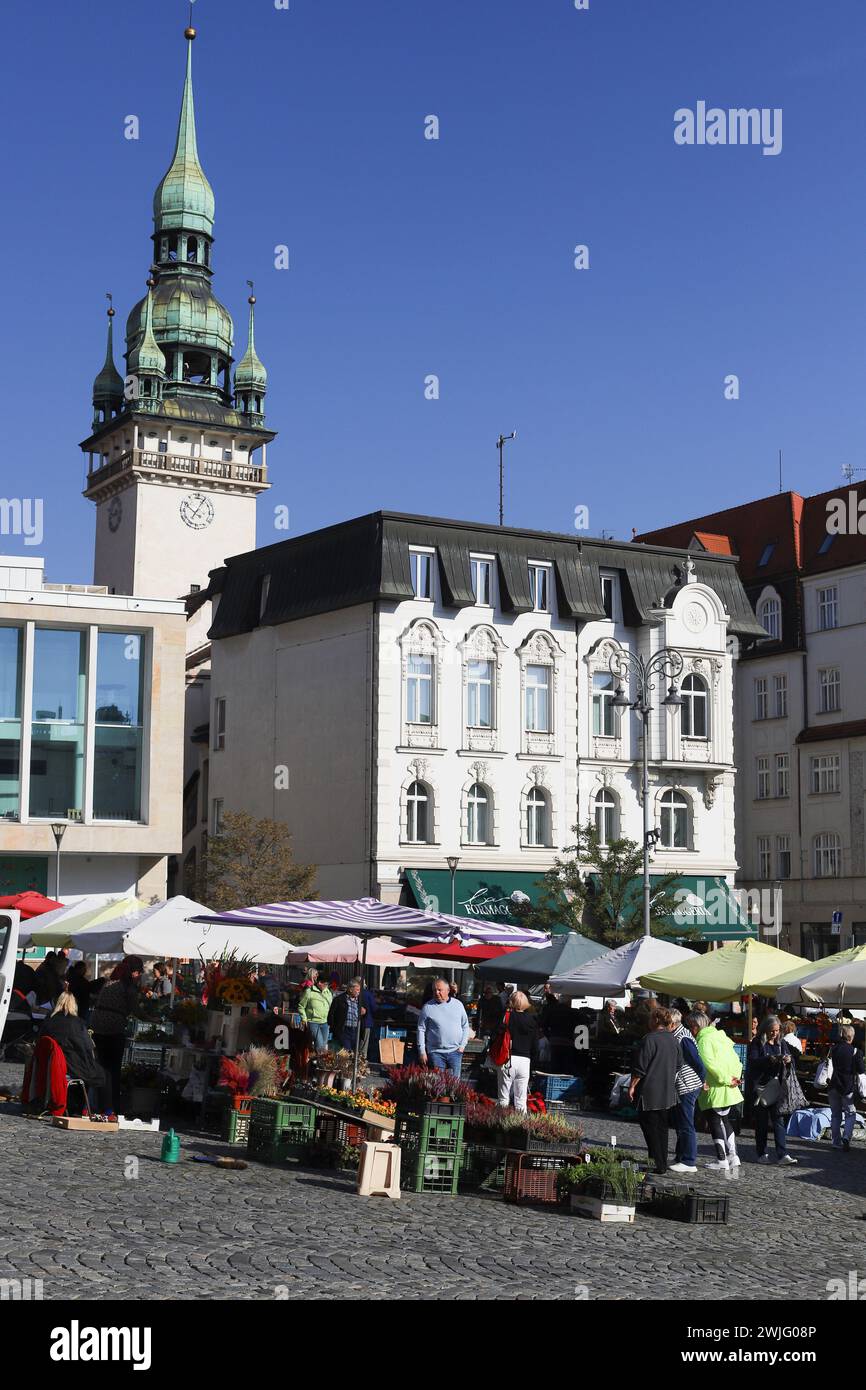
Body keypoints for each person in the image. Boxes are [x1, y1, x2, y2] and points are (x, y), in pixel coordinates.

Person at [628, 1006, 682, 1176]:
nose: (649, 1021)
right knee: (661, 1128)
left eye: (651, 1018)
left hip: (649, 1091)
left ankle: (657, 1162)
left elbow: (640, 1068)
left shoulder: (650, 1039)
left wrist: (632, 1085)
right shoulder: (673, 1039)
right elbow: (679, 1063)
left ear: (656, 1020)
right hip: (666, 1091)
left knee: (650, 1128)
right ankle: (661, 1162)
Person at [38, 992, 110, 1113]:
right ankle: (104, 1110)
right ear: (73, 1005)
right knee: (103, 1074)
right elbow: (87, 1046)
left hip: (49, 1064)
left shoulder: (48, 1021)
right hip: (70, 1064)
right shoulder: (77, 1023)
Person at [89, 957, 144, 1112]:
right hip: (113, 1030)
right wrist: (153, 1018)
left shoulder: (108, 983)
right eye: (138, 972)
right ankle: (111, 1107)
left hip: (97, 1028)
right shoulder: (128, 988)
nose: (139, 975)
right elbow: (137, 1011)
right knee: (113, 1070)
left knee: (100, 1067)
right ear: (133, 972)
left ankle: (95, 1104)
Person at [692, 1009, 743, 1171]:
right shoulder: (721, 1036)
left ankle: (721, 1158)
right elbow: (736, 1059)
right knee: (725, 1121)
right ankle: (733, 1156)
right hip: (729, 1086)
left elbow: (708, 1064)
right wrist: (734, 1077)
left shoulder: (703, 1041)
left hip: (714, 1087)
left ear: (695, 1026)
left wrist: (726, 1079)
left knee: (714, 1122)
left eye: (690, 1026)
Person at [748, 1014, 798, 1165]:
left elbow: (792, 1059)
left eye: (777, 1031)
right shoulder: (757, 1043)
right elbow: (753, 1061)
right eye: (772, 1031)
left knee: (779, 1121)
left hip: (777, 1085)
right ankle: (762, 1153)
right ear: (765, 1029)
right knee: (762, 1122)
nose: (774, 1034)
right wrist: (768, 1059)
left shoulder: (781, 1043)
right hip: (761, 1088)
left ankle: (782, 1154)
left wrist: (788, 1060)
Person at [669, 1007, 706, 1173]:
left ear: (672, 1023)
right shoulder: (678, 1034)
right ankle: (680, 1156)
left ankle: (689, 1161)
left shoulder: (682, 1037)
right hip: (684, 1085)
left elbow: (697, 1061)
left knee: (686, 1123)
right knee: (681, 1122)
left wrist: (702, 1079)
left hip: (688, 1085)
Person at [417, 977, 469, 1077]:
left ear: (448, 990)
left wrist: (462, 1046)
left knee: (454, 1085)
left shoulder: (458, 1005)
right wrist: (422, 1051)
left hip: (455, 1051)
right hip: (436, 1052)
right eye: (434, 990)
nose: (436, 992)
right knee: (438, 1085)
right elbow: (421, 1029)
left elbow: (465, 1026)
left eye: (439, 990)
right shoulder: (427, 1007)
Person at [496, 990, 538, 1113]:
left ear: (511, 1002)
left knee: (503, 1097)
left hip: (508, 1058)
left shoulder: (507, 1017)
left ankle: (499, 1123)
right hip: (525, 1060)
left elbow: (497, 1034)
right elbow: (535, 1045)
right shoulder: (532, 1020)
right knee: (521, 1098)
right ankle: (520, 1127)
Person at [827, 1024, 865, 1152]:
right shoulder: (856, 1051)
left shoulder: (834, 1049)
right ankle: (847, 1137)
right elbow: (861, 1070)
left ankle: (835, 1141)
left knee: (835, 1115)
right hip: (847, 1086)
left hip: (833, 1084)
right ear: (852, 1037)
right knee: (850, 1113)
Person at [327, 978, 367, 1051]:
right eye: (357, 990)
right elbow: (331, 1015)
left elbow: (364, 1015)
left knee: (354, 1053)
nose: (359, 992)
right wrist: (335, 1030)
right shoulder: (339, 999)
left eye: (359, 990)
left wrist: (364, 1013)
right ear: (350, 989)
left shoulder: (360, 1000)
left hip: (356, 1030)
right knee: (346, 1052)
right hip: (344, 1030)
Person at [298, 970, 333, 1052]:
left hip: (325, 1022)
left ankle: (317, 1061)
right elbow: (301, 1006)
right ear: (320, 982)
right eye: (325, 984)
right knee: (320, 1045)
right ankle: (319, 1063)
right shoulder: (309, 991)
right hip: (313, 1022)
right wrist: (304, 1019)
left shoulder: (328, 992)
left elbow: (331, 1006)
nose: (327, 986)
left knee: (323, 1045)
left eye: (327, 984)